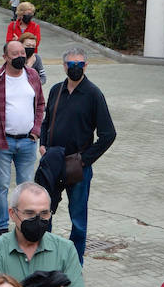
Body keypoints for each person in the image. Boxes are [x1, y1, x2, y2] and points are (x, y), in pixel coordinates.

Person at [39, 49, 116, 264]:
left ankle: (75, 262)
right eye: (70, 64)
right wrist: (43, 144)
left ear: (85, 66)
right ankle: (46, 257)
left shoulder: (93, 94)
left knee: (78, 219)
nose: (74, 68)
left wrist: (85, 159)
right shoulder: (56, 90)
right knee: (45, 212)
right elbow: (45, 122)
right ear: (64, 66)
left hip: (77, 166)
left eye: (79, 64)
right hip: (52, 162)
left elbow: (108, 134)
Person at [0, 42, 45, 235]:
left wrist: (36, 130)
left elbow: (40, 104)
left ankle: (25, 224)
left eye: (23, 52)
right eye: (15, 54)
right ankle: (2, 226)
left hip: (28, 142)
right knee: (2, 186)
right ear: (5, 57)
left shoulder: (32, 76)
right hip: (2, 142)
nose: (20, 56)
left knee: (26, 187)